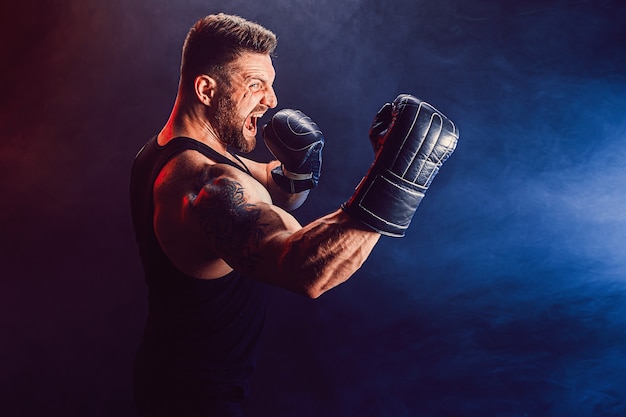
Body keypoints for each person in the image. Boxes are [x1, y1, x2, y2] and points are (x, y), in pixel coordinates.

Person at [129, 13, 459, 417]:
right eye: (256, 86)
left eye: (270, 84)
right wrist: (396, 178)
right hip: (195, 400)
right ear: (206, 89)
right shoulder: (204, 185)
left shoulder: (169, 149)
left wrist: (295, 170)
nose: (271, 100)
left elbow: (266, 184)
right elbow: (304, 268)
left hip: (173, 378)